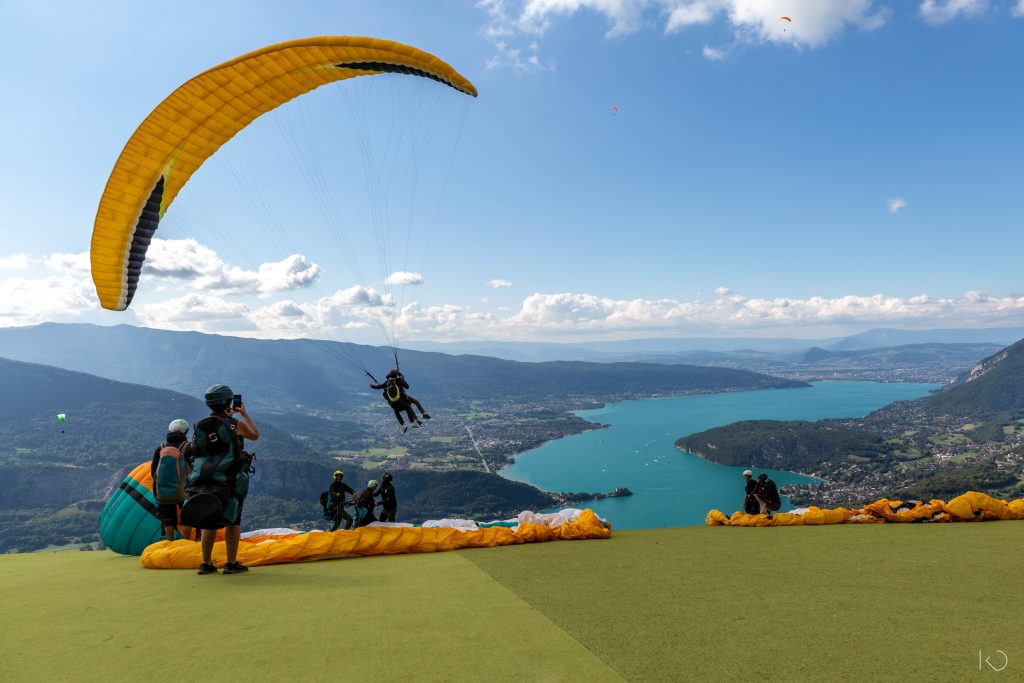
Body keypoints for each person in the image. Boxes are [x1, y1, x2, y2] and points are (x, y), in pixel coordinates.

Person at [194, 384, 259, 575]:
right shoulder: (233, 424)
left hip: (206, 477)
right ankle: (231, 562)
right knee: (233, 519)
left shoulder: (199, 424)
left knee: (209, 518)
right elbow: (254, 435)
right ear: (228, 402)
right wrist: (244, 414)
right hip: (231, 477)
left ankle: (205, 563)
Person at [150, 419, 194, 542]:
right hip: (185, 490)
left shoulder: (161, 448)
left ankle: (170, 543)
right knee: (186, 516)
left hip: (163, 491)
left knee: (168, 518)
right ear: (185, 432)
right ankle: (186, 542)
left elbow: (153, 472)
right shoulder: (189, 447)